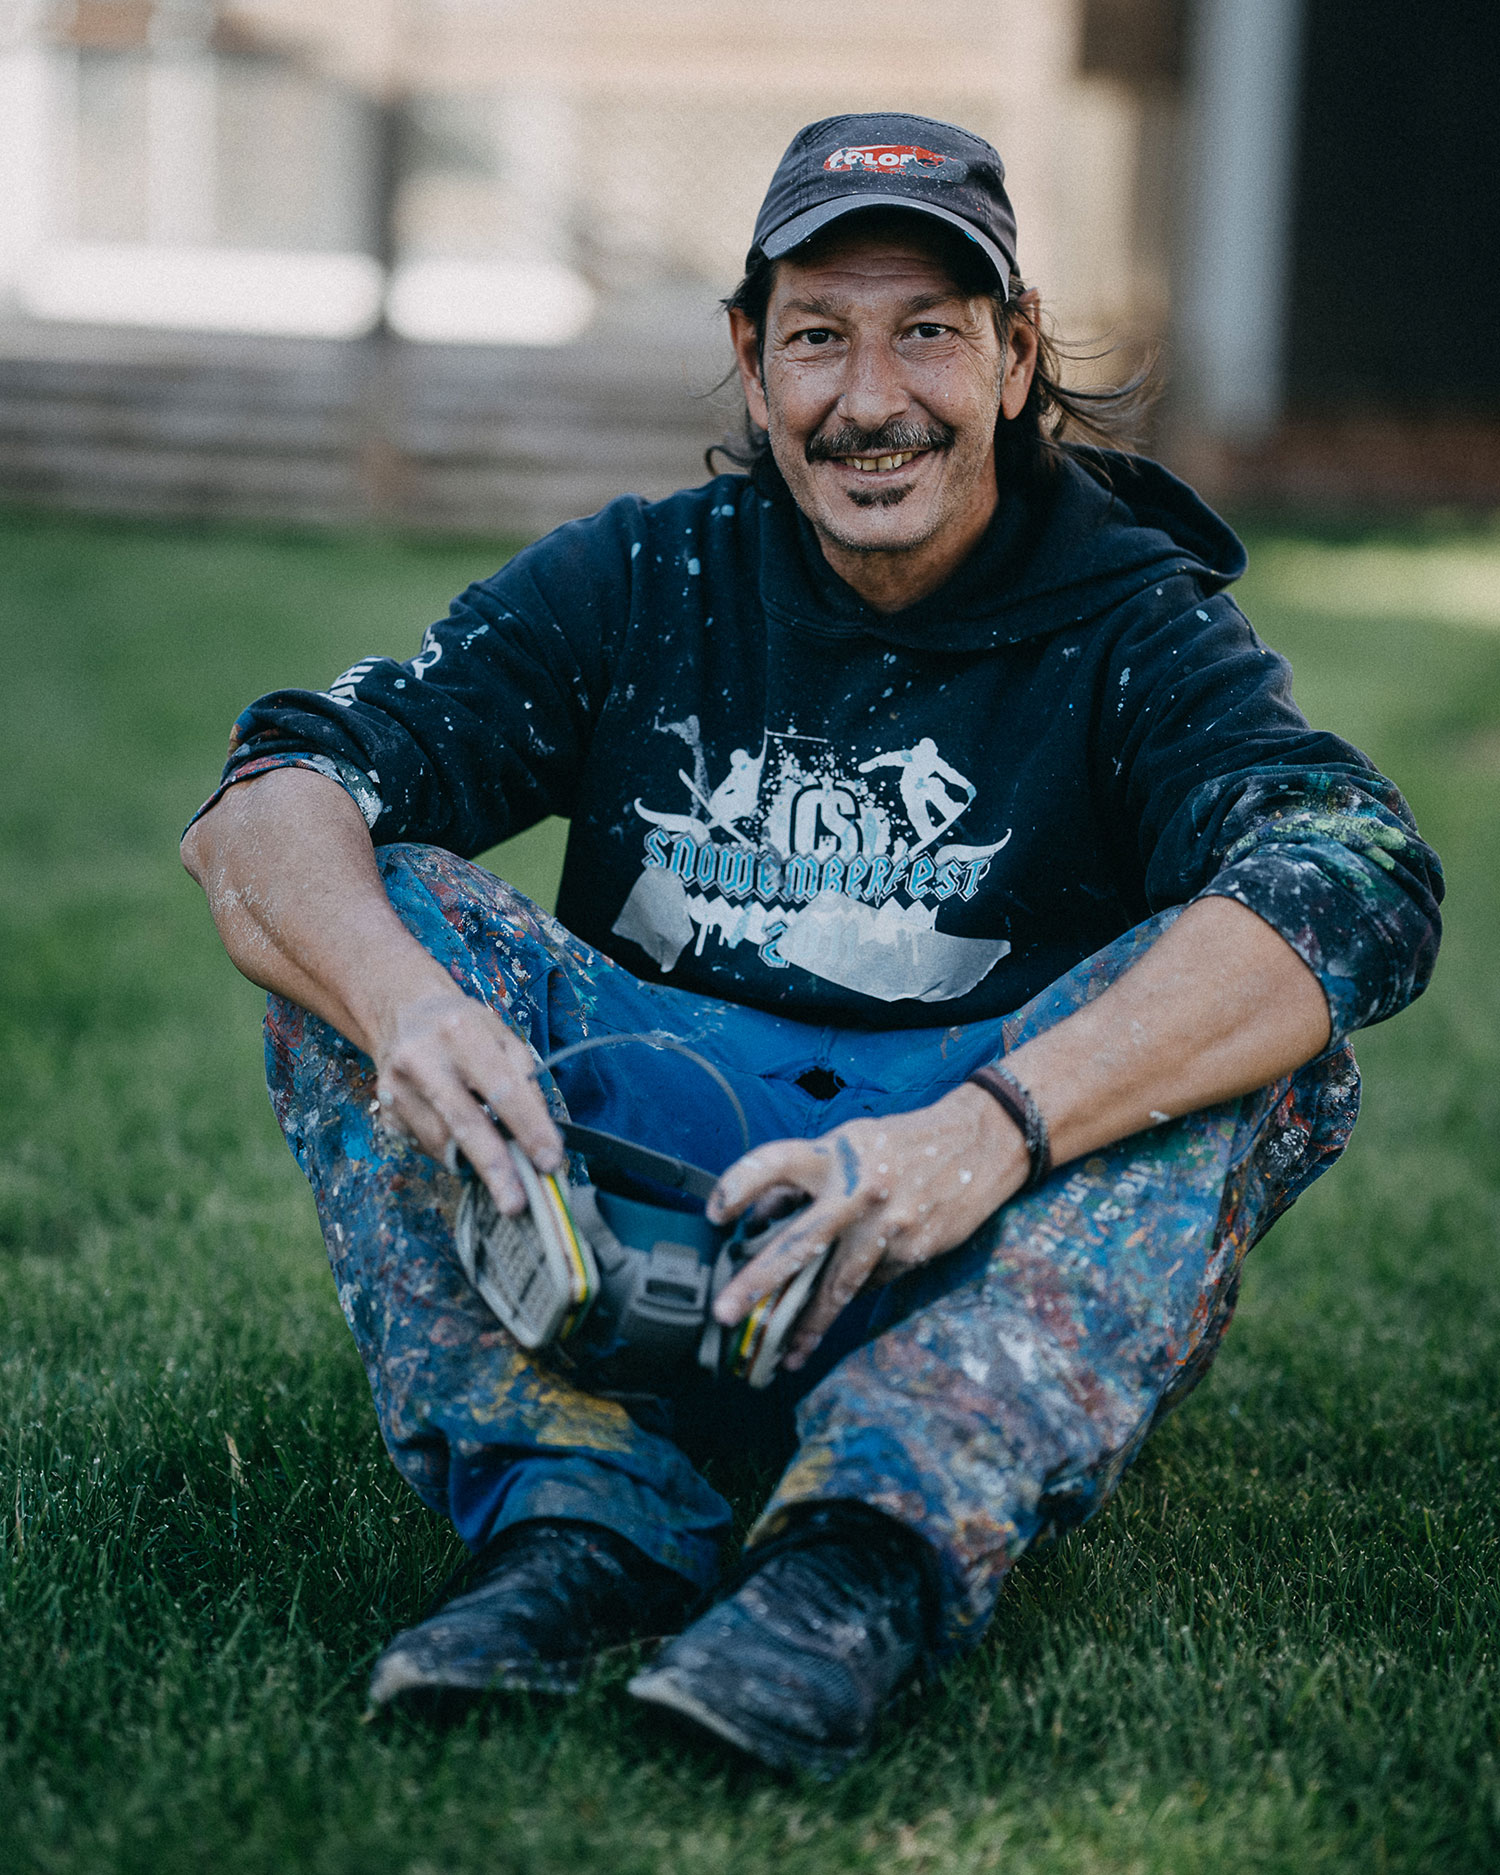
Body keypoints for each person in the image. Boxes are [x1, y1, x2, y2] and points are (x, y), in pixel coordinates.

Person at [180, 112, 1441, 1776]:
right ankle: (575, 1516)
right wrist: (406, 1006)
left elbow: (1356, 872)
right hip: (632, 1225)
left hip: (948, 1248)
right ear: (751, 358)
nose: (871, 399)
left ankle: (862, 1557)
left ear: (1014, 356)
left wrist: (990, 1130)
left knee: (1261, 1023)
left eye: (927, 331)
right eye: (820, 337)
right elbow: (270, 797)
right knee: (368, 913)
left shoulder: (1137, 624)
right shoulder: (643, 577)